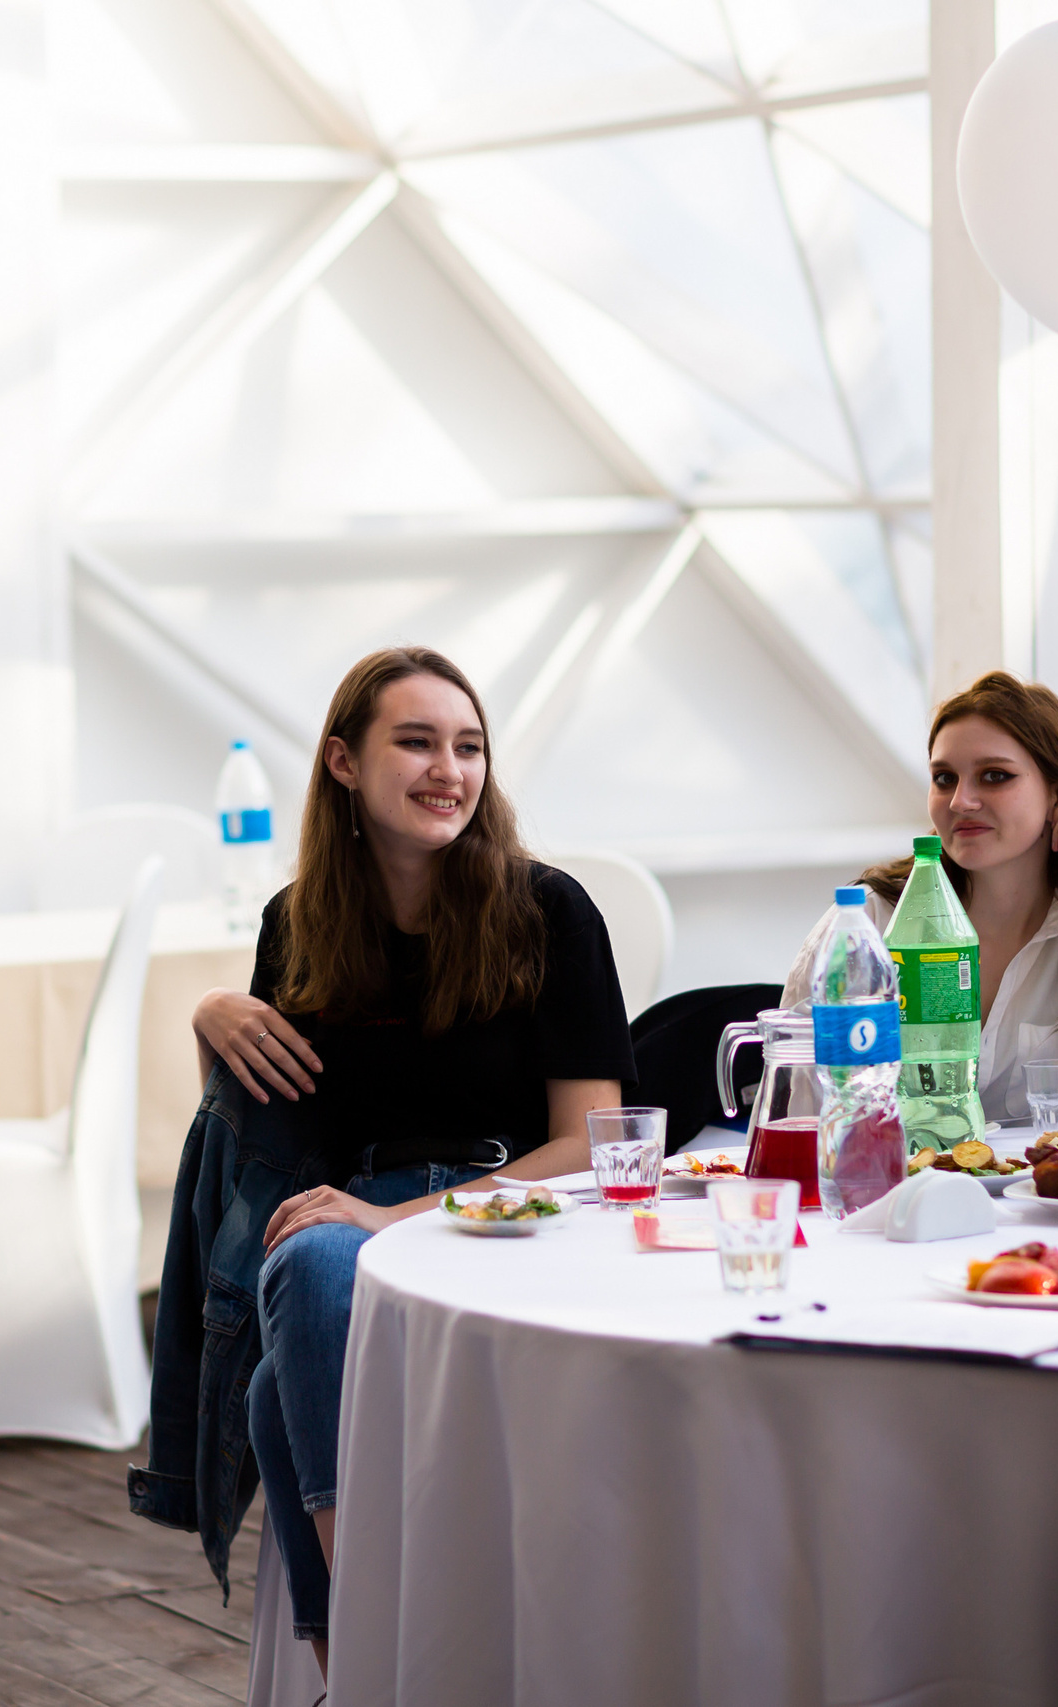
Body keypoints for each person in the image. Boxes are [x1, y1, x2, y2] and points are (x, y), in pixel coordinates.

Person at [131, 646, 633, 1669]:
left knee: (309, 1270)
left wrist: (387, 1223)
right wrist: (212, 1014)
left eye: (468, 746)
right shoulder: (299, 923)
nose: (448, 768)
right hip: (358, 1210)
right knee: (275, 1386)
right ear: (344, 763)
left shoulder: (548, 909)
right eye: (415, 742)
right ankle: (357, 1661)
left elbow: (591, 1141)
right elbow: (264, 1137)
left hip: (517, 1208)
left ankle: (366, 1645)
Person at [785, 671, 1058, 1124]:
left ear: (1057, 791)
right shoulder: (872, 918)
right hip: (900, 1191)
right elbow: (808, 1116)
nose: (961, 801)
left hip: (1043, 1194)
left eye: (994, 776)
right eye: (944, 778)